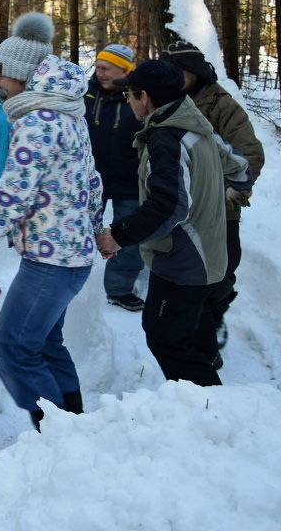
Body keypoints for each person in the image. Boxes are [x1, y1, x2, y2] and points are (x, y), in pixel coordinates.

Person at [0, 12, 103, 431]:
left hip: (50, 261)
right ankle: (77, 424)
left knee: (13, 347)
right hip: (71, 256)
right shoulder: (68, 109)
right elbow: (92, 179)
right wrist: (96, 230)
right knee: (47, 343)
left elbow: (13, 193)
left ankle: (60, 434)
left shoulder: (37, 121)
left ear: (19, 75)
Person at [95, 60, 252, 387]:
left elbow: (169, 207)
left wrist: (118, 236)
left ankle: (209, 408)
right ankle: (208, 363)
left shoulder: (165, 139)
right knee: (193, 326)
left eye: (131, 95)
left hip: (183, 259)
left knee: (165, 337)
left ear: (147, 98)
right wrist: (239, 185)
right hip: (208, 252)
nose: (127, 101)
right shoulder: (196, 123)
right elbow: (237, 163)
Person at [159, 40, 265, 363]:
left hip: (218, 209)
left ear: (194, 72)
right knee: (183, 274)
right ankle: (195, 333)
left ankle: (213, 318)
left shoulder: (221, 105)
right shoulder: (164, 98)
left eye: (179, 71)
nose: (173, 77)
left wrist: (226, 190)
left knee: (222, 272)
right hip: (178, 206)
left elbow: (249, 155)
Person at [84, 43, 147, 311]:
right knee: (78, 229)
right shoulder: (84, 94)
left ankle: (119, 289)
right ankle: (71, 278)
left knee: (129, 236)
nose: (100, 73)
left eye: (106, 68)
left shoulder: (139, 97)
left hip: (129, 181)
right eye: (97, 67)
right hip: (88, 179)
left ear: (125, 69)